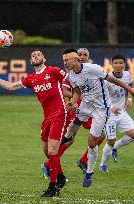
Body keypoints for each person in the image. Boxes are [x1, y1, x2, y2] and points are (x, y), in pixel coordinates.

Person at [0, 50, 68, 197]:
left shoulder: (53, 71)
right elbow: (10, 86)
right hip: (47, 118)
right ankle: (61, 178)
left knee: (53, 152)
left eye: (38, 54)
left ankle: (53, 187)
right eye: (32, 56)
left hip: (60, 115)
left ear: (44, 58)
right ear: (31, 61)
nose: (35, 56)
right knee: (47, 152)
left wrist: (75, 96)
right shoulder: (31, 79)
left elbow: (70, 79)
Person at [62, 49, 134, 188]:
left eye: (67, 60)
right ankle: (66, 138)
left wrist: (129, 89)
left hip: (101, 108)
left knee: (92, 142)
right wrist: (72, 102)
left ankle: (89, 172)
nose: (65, 62)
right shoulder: (71, 75)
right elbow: (77, 92)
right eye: (63, 60)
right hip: (86, 104)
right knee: (74, 123)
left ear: (75, 59)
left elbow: (112, 79)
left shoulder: (93, 68)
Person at [42, 48, 93, 179]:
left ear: (88, 57)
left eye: (84, 55)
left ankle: (84, 160)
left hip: (89, 108)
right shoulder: (69, 74)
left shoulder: (90, 70)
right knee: (68, 140)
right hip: (75, 109)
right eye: (79, 54)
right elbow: (64, 91)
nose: (82, 56)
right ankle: (49, 164)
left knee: (101, 133)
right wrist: (78, 98)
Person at [99, 55, 134, 171]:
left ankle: (115, 147)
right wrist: (111, 107)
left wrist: (129, 98)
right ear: (112, 65)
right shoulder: (107, 79)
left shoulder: (127, 75)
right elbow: (100, 97)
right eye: (116, 63)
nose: (118, 65)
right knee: (110, 140)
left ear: (124, 64)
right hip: (109, 115)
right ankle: (103, 164)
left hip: (122, 113)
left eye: (120, 63)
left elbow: (130, 86)